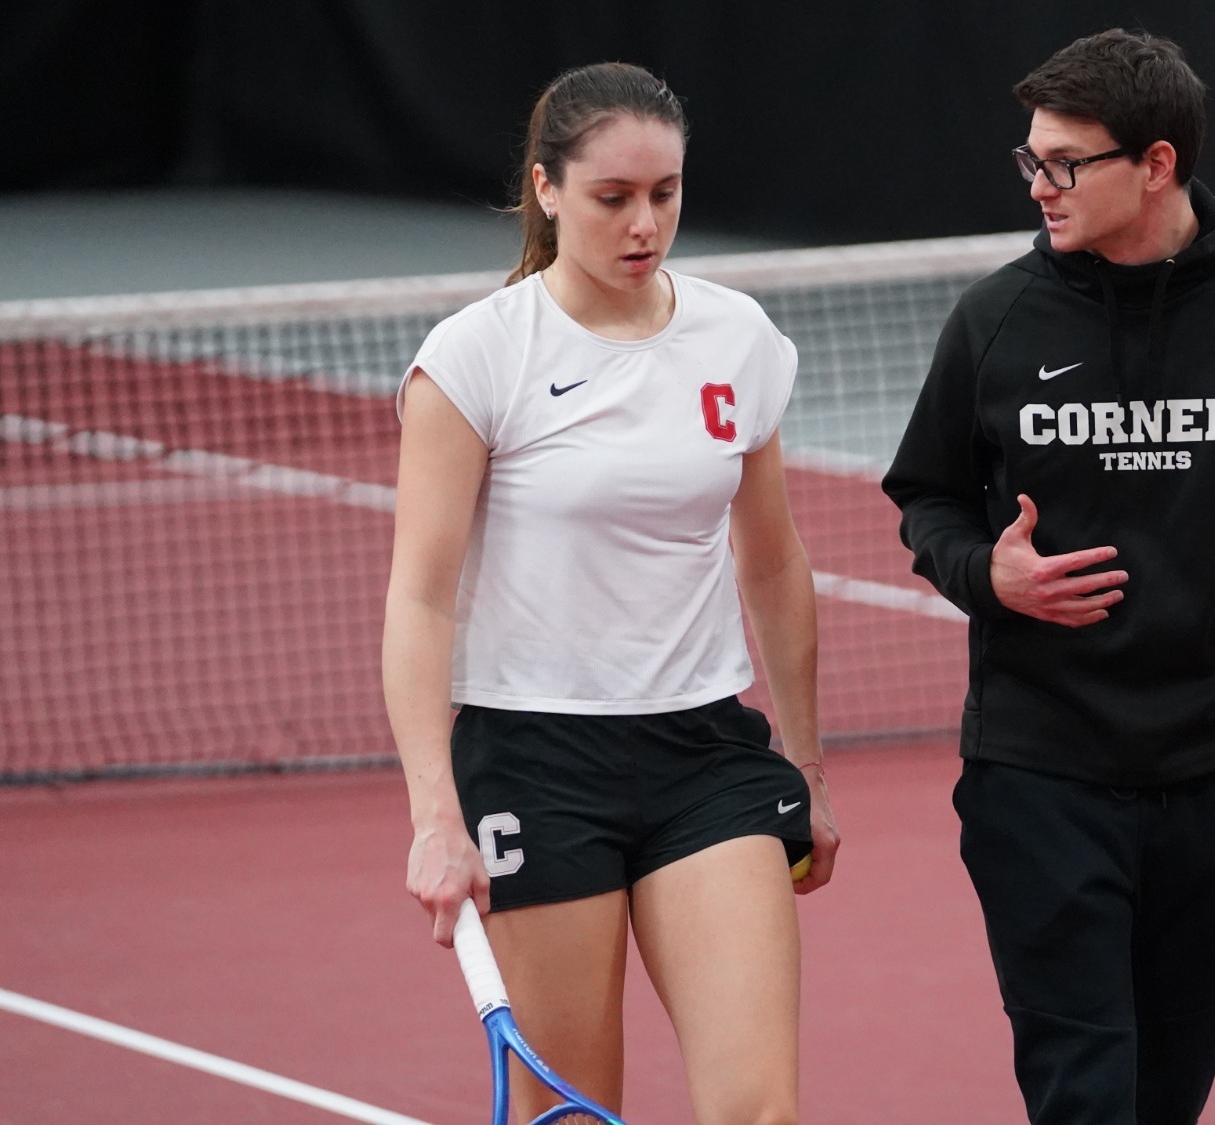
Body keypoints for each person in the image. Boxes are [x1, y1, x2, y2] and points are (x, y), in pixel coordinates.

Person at [881, 29, 1215, 1125]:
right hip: (1038, 777)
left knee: (1162, 1098)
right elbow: (927, 500)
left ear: (1155, 164)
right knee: (1085, 1095)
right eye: (1030, 160)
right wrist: (983, 574)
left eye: (1065, 163)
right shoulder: (997, 319)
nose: (1038, 186)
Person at [382, 63, 837, 1125]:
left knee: (760, 1113)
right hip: (535, 763)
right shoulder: (476, 358)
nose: (644, 224)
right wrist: (433, 815)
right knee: (573, 1116)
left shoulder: (736, 340)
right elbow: (419, 600)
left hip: (706, 757)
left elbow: (769, 558)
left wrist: (807, 763)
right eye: (612, 198)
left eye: (664, 195)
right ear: (546, 189)